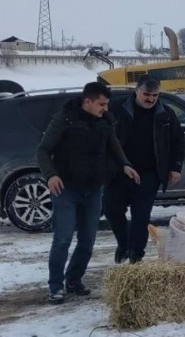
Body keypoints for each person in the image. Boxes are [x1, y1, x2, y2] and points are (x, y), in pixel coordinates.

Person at [36, 82, 140, 304]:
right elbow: (43, 150)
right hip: (65, 188)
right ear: (87, 102)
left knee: (88, 240)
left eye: (106, 104)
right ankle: (55, 286)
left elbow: (114, 146)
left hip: (93, 189)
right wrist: (51, 175)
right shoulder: (64, 119)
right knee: (63, 238)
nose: (105, 108)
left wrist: (125, 164)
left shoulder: (105, 121)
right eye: (101, 104)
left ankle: (73, 279)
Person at [103, 75, 185, 264]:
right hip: (119, 170)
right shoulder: (117, 108)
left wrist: (175, 167)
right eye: (146, 94)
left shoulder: (166, 114)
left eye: (155, 95)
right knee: (111, 209)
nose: (150, 99)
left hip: (150, 172)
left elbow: (178, 142)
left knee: (141, 215)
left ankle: (136, 254)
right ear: (136, 91)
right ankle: (123, 243)